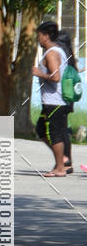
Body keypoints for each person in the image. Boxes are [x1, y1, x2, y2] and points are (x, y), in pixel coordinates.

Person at [32, 21, 70, 177]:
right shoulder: (57, 51)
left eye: (39, 36)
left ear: (46, 36)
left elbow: (55, 77)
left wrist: (39, 73)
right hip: (53, 101)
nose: (38, 39)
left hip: (54, 101)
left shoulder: (52, 53)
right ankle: (62, 159)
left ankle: (60, 167)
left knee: (54, 134)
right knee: (41, 129)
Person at [55, 30, 79, 173]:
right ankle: (66, 159)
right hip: (68, 98)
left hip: (61, 98)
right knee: (63, 129)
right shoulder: (70, 55)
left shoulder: (60, 52)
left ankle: (66, 160)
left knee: (60, 130)